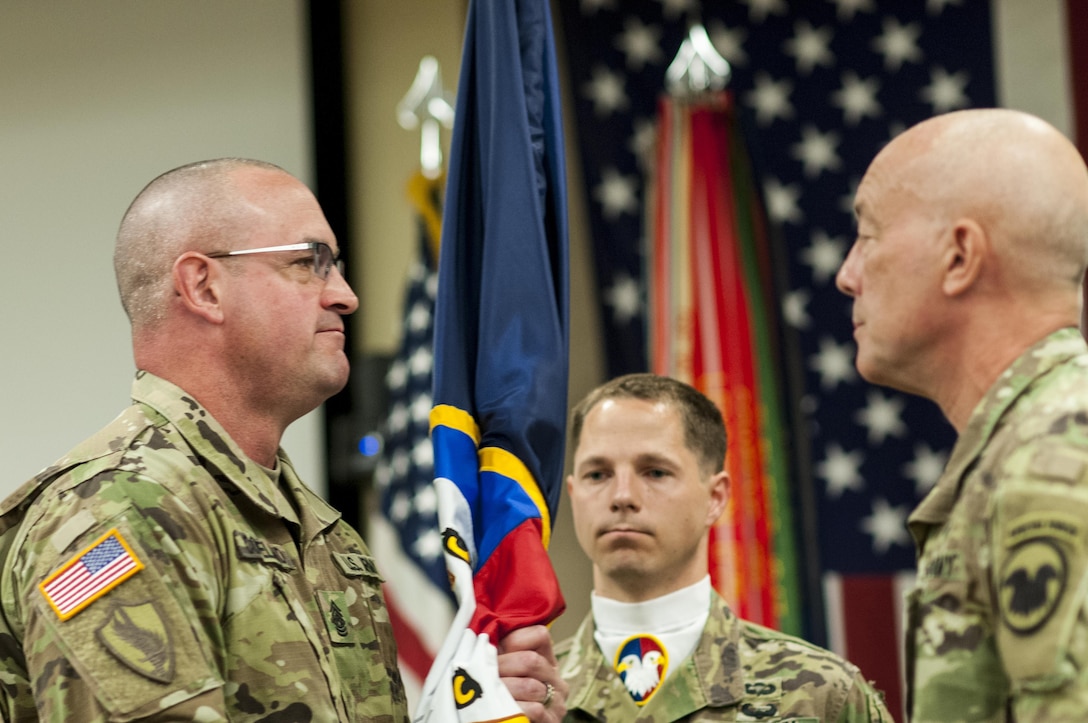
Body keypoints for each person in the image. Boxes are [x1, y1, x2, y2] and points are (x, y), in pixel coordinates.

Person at [0, 158, 566, 722]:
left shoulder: (321, 533)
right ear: (204, 287)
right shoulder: (120, 511)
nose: (345, 295)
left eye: (335, 267)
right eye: (308, 263)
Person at [835, 108, 1088, 721]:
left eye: (868, 237)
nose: (847, 276)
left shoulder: (1051, 463)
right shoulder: (1028, 443)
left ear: (959, 257)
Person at [556, 373, 892, 721]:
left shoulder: (820, 694)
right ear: (572, 494)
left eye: (655, 472)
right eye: (597, 474)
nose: (622, 496)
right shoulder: (521, 699)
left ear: (715, 498)